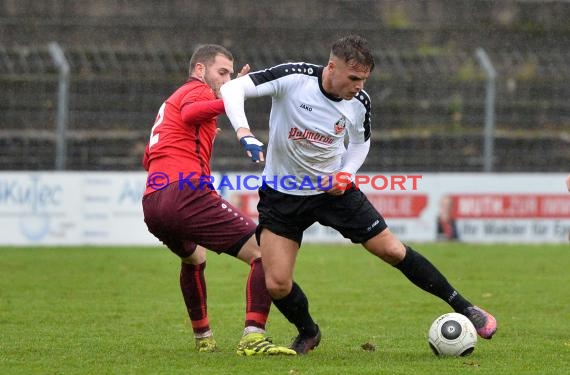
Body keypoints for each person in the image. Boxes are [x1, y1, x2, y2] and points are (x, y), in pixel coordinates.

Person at [220, 35, 497, 354]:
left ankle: (465, 307)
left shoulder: (359, 102)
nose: (358, 86)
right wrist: (244, 133)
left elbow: (360, 143)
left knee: (392, 250)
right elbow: (232, 89)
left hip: (334, 193)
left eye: (364, 79)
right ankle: (308, 331)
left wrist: (345, 174)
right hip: (283, 195)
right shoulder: (294, 78)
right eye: (353, 78)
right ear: (332, 67)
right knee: (277, 283)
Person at [141, 44, 296, 356]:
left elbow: (152, 155)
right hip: (186, 192)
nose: (227, 79)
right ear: (200, 70)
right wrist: (229, 97)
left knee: (194, 259)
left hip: (153, 200)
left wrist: (224, 97)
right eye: (221, 72)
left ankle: (204, 339)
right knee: (265, 253)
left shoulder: (172, 101)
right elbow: (192, 112)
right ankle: (253, 337)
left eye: (230, 75)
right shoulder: (195, 90)